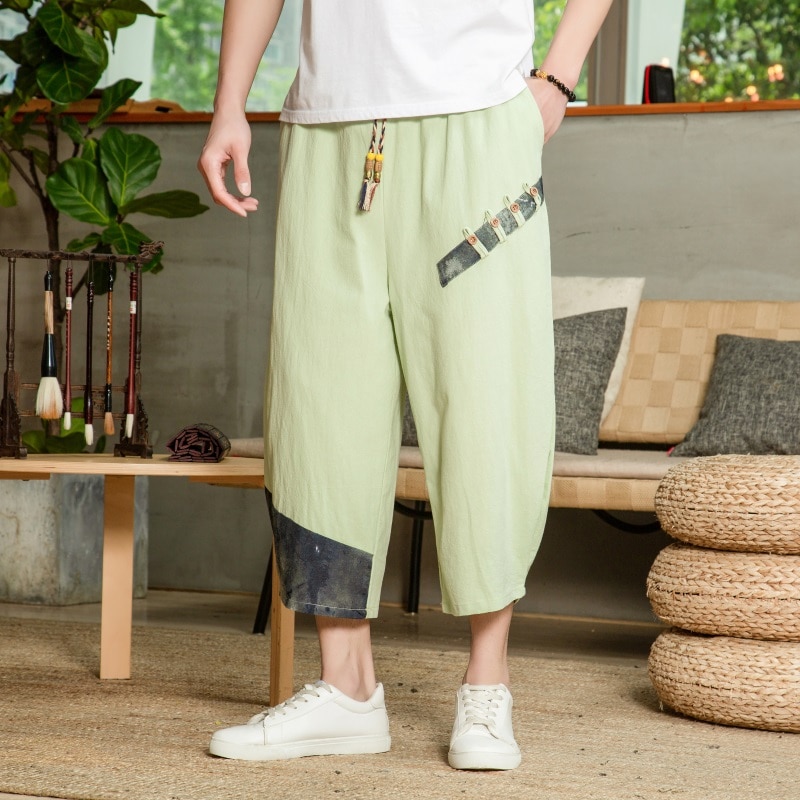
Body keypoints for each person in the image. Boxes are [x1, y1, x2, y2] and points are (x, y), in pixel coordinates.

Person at [198, 0, 613, 771]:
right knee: (321, 405)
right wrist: (230, 103)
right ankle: (347, 687)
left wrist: (557, 79)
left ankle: (488, 684)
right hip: (327, 128)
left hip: (477, 126)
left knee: (485, 400)